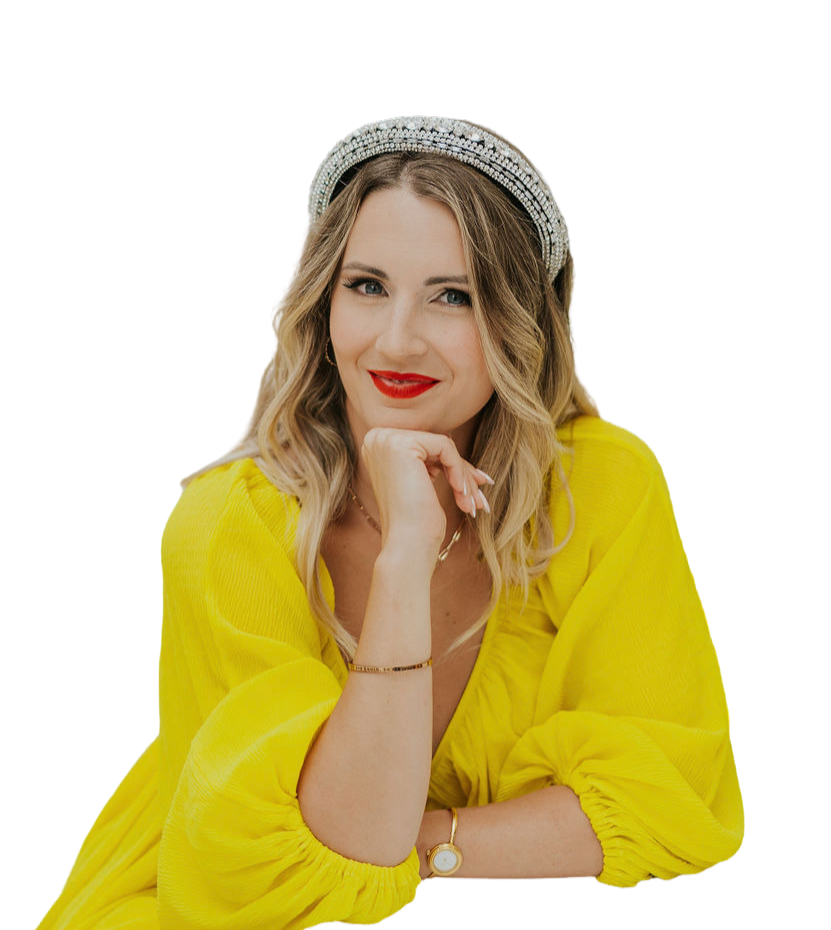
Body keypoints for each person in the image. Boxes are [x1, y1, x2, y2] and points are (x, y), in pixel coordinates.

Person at [39, 116, 744, 929]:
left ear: (520, 322)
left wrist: (418, 842)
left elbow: (676, 803)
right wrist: (406, 552)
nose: (396, 341)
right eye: (367, 286)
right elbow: (282, 882)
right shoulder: (228, 523)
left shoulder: (600, 483)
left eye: (454, 296)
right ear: (322, 302)